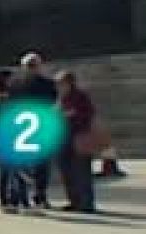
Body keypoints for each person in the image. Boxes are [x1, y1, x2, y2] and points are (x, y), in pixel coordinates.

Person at [7, 52, 58, 209]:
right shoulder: (46, 83)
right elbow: (53, 103)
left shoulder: (14, 83)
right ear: (38, 66)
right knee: (41, 164)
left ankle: (18, 196)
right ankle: (39, 196)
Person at [0, 69, 29, 213]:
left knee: (10, 171)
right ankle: (15, 200)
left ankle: (11, 200)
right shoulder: (2, 99)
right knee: (14, 170)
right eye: (10, 79)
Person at [56, 70, 98, 213]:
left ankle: (86, 203)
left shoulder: (81, 96)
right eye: (58, 84)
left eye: (61, 83)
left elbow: (89, 113)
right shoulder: (61, 98)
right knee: (67, 171)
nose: (59, 86)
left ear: (69, 83)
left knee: (82, 171)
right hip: (63, 139)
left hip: (80, 137)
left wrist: (71, 114)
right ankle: (74, 201)